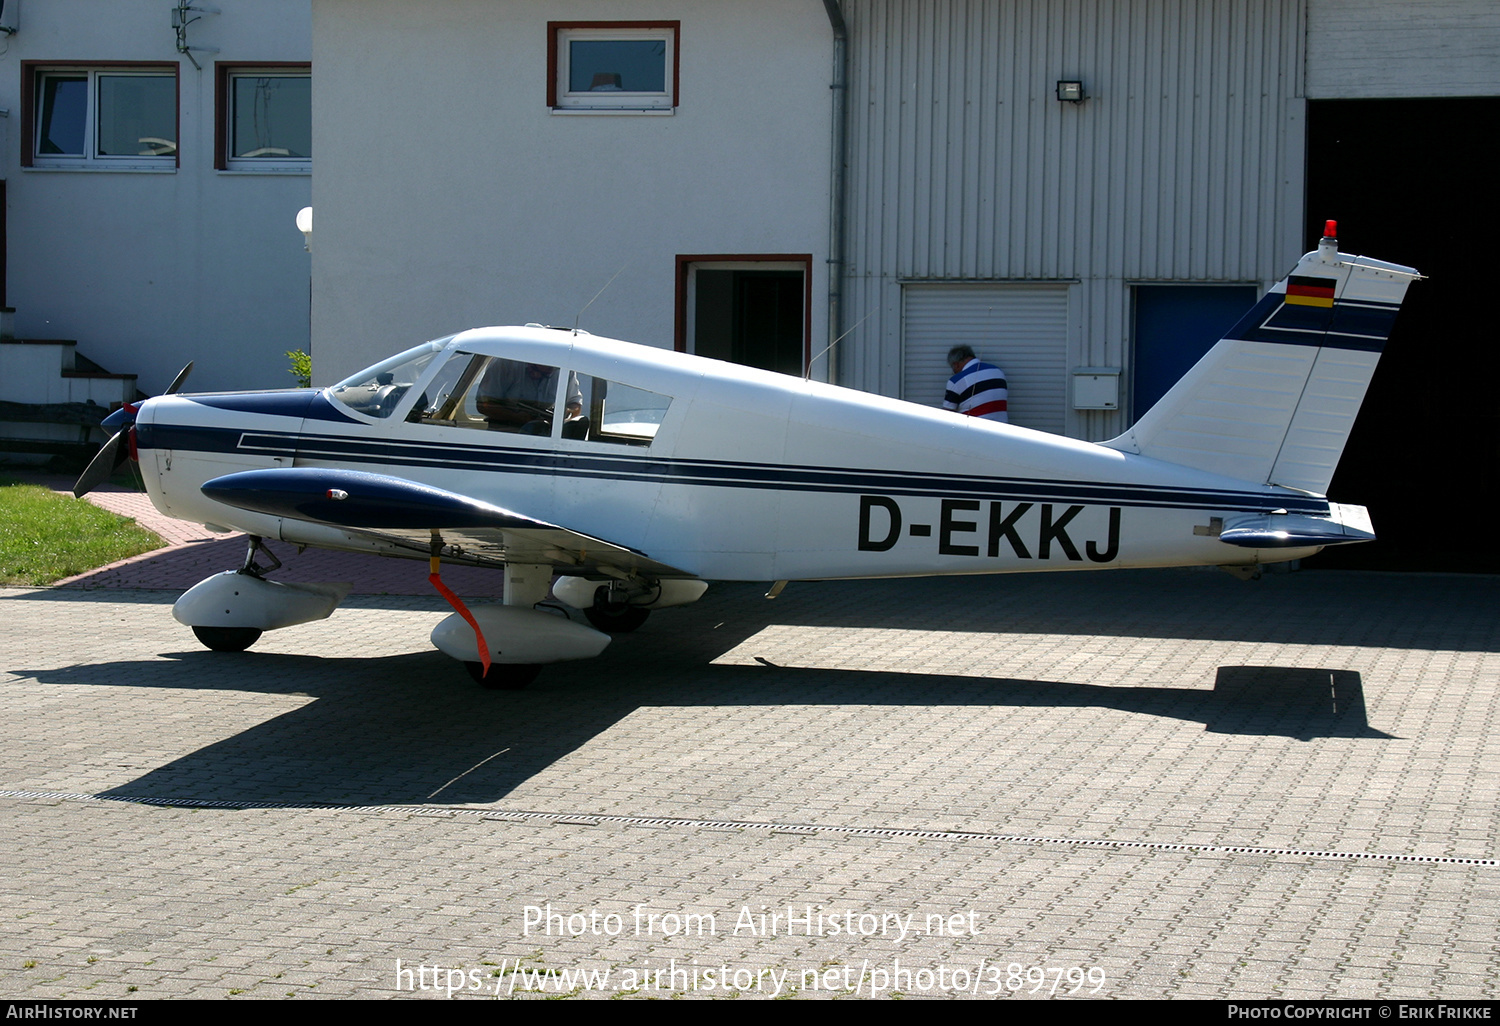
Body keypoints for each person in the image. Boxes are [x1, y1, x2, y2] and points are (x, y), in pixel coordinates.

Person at [475, 359, 582, 434]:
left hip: (544, 434)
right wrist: (517, 417)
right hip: (504, 431)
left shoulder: (565, 369)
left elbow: (575, 404)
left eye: (545, 375)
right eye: (534, 369)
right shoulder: (505, 363)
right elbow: (483, 405)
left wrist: (563, 413)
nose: (536, 376)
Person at [943, 345, 1008, 422]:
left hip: (974, 430)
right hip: (1002, 428)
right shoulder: (997, 371)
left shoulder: (956, 380)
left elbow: (947, 414)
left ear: (956, 365)